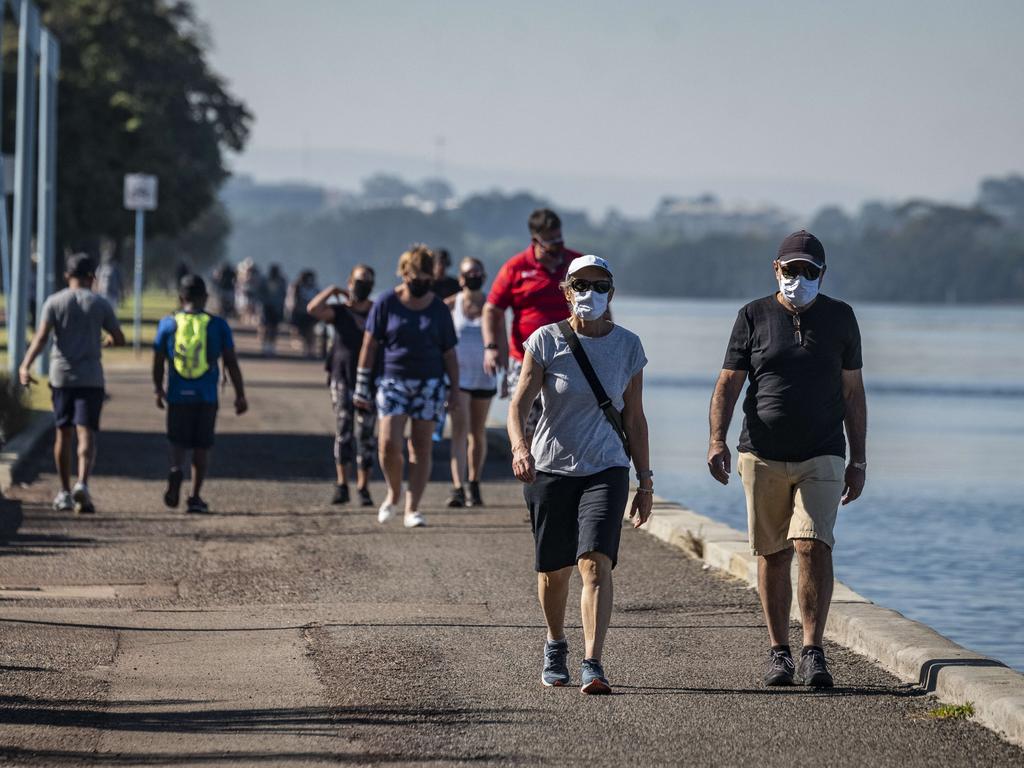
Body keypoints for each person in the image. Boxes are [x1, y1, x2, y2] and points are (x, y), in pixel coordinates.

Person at [707, 230, 867, 689]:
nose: (799, 278)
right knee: (773, 552)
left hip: (823, 451)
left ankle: (814, 650)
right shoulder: (752, 316)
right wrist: (716, 440)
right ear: (776, 269)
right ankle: (780, 651)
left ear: (822, 274)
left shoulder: (841, 318)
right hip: (761, 454)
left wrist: (859, 460)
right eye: (791, 269)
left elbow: (853, 392)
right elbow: (728, 383)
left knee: (813, 543)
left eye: (809, 271)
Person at [509, 254, 652, 695]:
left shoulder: (628, 346)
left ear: (612, 291)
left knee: (595, 563)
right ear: (567, 292)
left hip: (606, 468)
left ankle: (593, 661)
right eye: (581, 285)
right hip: (551, 466)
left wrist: (644, 481)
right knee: (555, 571)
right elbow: (517, 406)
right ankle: (556, 643)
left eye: (600, 285)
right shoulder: (546, 340)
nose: (590, 293)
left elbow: (635, 419)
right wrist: (519, 448)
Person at [353, 245, 459, 528]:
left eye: (427, 277)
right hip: (392, 381)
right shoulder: (386, 302)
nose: (421, 282)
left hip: (430, 383)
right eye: (416, 276)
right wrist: (361, 386)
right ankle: (393, 492)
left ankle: (413, 508)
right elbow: (370, 344)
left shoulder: (438, 308)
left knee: (421, 446)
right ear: (403, 274)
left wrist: (455, 390)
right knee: (388, 443)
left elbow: (449, 352)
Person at [18, 253, 126, 514]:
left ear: (67, 276)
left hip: (61, 377)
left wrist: (25, 365)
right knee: (86, 432)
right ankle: (83, 484)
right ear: (92, 277)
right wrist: (109, 342)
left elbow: (42, 338)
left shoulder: (55, 301)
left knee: (62, 433)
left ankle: (64, 492)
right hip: (91, 378)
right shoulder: (100, 304)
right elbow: (119, 338)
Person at [483, 208, 583, 441]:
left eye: (559, 238)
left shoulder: (575, 264)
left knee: (566, 422)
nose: (557, 244)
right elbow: (492, 309)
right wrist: (491, 348)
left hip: (571, 356)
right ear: (536, 239)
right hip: (525, 357)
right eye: (551, 240)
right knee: (525, 421)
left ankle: (562, 474)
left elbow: (601, 309)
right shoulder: (516, 267)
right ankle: (529, 472)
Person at [153, 275, 248, 514]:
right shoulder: (218, 325)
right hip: (206, 396)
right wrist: (240, 394)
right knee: (202, 447)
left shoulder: (167, 324)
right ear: (205, 297)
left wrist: (158, 388)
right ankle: (195, 496)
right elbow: (231, 362)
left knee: (177, 441)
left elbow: (158, 361)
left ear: (180, 298)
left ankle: (176, 468)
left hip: (177, 395)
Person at [307, 264, 378, 506]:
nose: (362, 286)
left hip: (369, 380)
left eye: (367, 281)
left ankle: (364, 486)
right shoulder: (340, 311)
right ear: (350, 283)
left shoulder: (376, 312)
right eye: (358, 281)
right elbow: (313, 309)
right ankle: (342, 484)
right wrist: (333, 290)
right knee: (344, 429)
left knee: (366, 434)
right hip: (341, 377)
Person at [445, 257, 496, 508]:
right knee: (459, 431)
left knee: (478, 432)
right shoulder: (450, 304)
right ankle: (457, 486)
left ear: (483, 276)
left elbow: (501, 338)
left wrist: (506, 373)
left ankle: (474, 483)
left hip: (485, 377)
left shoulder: (491, 304)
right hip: (458, 378)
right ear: (461, 278)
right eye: (468, 273)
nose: (473, 276)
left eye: (477, 272)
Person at [288, 270, 320, 358]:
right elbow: (292, 302)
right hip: (300, 314)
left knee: (310, 333)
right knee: (301, 333)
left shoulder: (315, 288)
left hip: (311, 315)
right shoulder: (297, 287)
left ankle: (311, 351)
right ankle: (304, 350)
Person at [259, 264, 288, 357]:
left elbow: (284, 294)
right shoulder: (264, 280)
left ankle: (272, 345)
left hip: (277, 307)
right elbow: (260, 292)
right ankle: (265, 345)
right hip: (266, 307)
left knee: (274, 328)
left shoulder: (282, 281)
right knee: (266, 327)